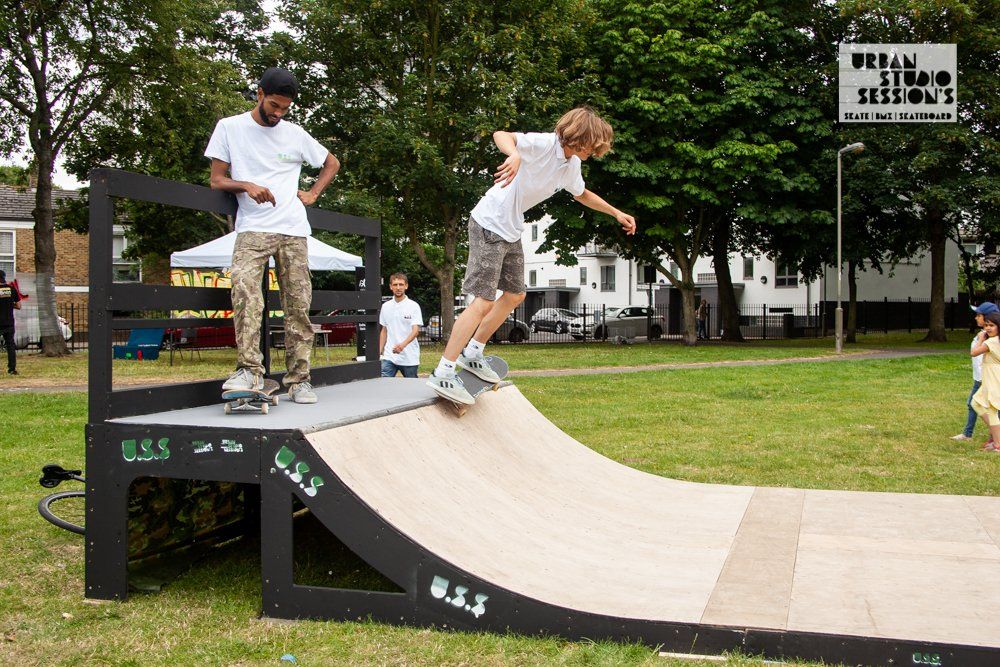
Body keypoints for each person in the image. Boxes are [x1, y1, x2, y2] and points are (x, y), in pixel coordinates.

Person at [427, 107, 636, 404]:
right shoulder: (544, 144)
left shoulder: (571, 165)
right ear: (579, 137)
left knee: (515, 295)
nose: (595, 151)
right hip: (489, 223)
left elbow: (581, 194)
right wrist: (514, 154)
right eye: (593, 145)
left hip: (511, 228)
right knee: (483, 300)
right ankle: (443, 372)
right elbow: (502, 135)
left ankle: (473, 352)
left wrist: (616, 212)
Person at [205, 67, 340, 403]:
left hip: (293, 230)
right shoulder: (230, 127)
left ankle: (299, 379)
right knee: (245, 291)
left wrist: (313, 194)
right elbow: (217, 179)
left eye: (285, 109)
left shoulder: (295, 134)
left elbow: (332, 163)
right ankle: (249, 370)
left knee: (298, 303)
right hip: (253, 227)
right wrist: (246, 185)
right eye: (274, 106)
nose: (278, 113)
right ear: (260, 94)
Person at [952, 302, 998, 442]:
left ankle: (994, 437)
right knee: (975, 404)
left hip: (987, 379)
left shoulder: (990, 338)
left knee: (983, 406)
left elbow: (975, 353)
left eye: (979, 315)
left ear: (988, 316)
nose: (976, 318)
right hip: (980, 377)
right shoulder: (984, 335)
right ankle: (971, 434)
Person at [379, 273, 423, 378]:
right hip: (389, 356)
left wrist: (402, 346)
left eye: (401, 284)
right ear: (391, 287)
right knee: (383, 384)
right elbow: (384, 330)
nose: (398, 288)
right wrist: (379, 351)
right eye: (395, 285)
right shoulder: (385, 306)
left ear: (406, 286)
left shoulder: (413, 306)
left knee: (411, 386)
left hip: (409, 357)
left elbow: (415, 331)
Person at [969, 311, 1000, 452]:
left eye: (992, 325)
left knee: (991, 410)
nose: (988, 328)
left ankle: (998, 444)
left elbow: (974, 352)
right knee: (976, 402)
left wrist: (981, 339)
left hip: (994, 378)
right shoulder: (996, 340)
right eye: (986, 325)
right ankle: (996, 434)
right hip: (989, 378)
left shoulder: (991, 342)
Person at [0, 270, 21, 375]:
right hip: (9, 322)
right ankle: (12, 369)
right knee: (10, 345)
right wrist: (9, 304)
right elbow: (18, 306)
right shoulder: (11, 289)